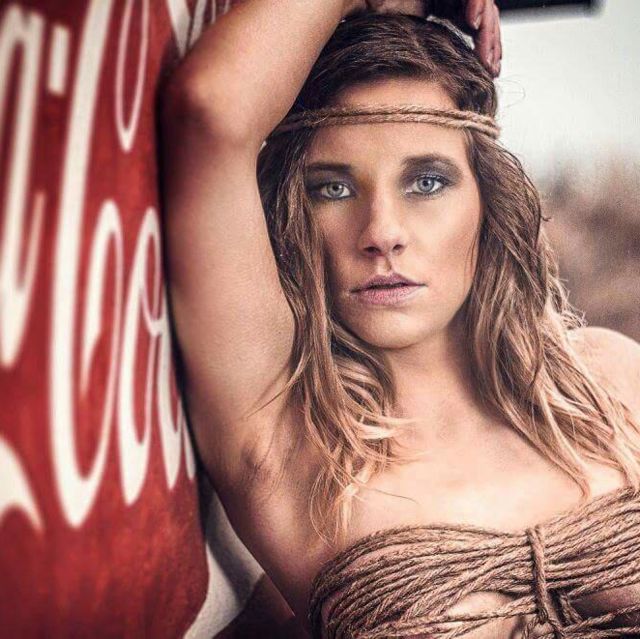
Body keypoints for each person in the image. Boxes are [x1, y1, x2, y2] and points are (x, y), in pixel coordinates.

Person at [160, 0, 640, 636]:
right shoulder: (284, 443)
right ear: (290, 215)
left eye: (427, 182)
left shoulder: (613, 382)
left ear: (487, 200)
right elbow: (209, 113)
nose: (382, 232)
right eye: (332, 188)